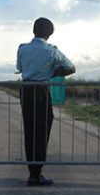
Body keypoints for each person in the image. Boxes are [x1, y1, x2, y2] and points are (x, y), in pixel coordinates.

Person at [16, 17, 76, 186]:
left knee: (30, 130)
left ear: (34, 30)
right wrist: (53, 71)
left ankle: (32, 172)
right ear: (50, 34)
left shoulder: (22, 49)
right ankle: (37, 173)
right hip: (41, 90)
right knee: (41, 131)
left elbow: (20, 68)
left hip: (26, 90)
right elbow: (71, 67)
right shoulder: (52, 51)